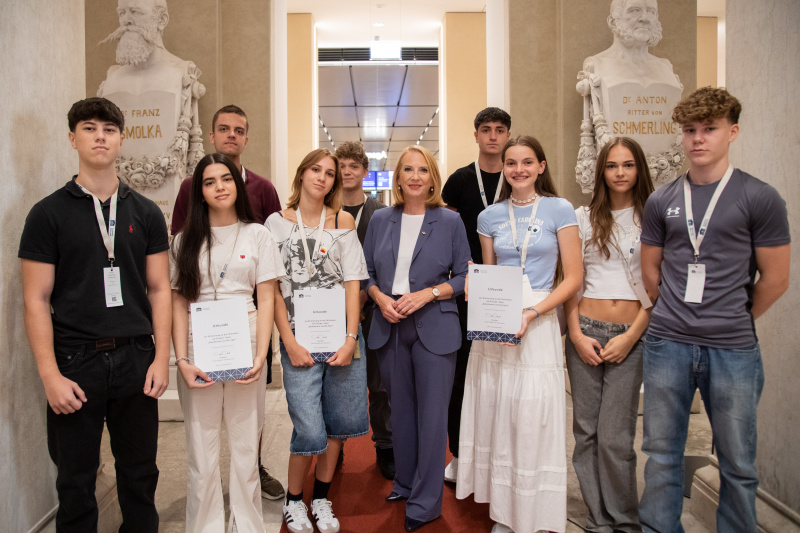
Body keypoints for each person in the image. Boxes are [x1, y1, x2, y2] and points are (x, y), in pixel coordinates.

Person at [638, 88, 791, 532]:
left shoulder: (759, 197)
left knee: (738, 463)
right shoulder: (661, 200)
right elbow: (651, 273)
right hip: (669, 343)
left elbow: (776, 279)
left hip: (733, 349)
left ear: (733, 132)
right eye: (690, 130)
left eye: (709, 129)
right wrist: (676, 316)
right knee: (662, 454)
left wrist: (732, 318)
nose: (698, 139)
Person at [19, 97, 171, 532]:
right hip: (74, 362)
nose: (100, 136)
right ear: (73, 138)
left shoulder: (144, 212)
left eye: (109, 129)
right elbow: (35, 300)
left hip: (136, 358)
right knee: (75, 481)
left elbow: (159, 288)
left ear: (122, 140)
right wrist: (50, 375)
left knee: (140, 477)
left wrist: (161, 359)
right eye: (89, 128)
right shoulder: (48, 214)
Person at [456, 135, 582, 533]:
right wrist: (475, 287)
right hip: (498, 323)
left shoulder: (560, 209)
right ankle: (506, 514)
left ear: (541, 166)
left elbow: (574, 277)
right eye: (512, 163)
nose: (519, 170)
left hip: (538, 318)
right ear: (504, 168)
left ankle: (537, 514)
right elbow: (491, 272)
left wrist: (532, 312)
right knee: (499, 413)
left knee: (532, 416)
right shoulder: (490, 216)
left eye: (528, 162)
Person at [172, 104, 285, 500]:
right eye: (209, 182)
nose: (219, 187)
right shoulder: (182, 242)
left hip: (245, 335)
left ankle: (248, 524)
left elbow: (268, 295)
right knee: (201, 454)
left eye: (226, 180)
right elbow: (177, 300)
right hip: (198, 343)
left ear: (238, 186)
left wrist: (261, 356)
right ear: (197, 192)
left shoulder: (258, 234)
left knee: (244, 448)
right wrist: (181, 360)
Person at [363, 145, 471, 532]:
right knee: (401, 412)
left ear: (432, 178)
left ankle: (426, 502)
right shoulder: (380, 220)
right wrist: (378, 298)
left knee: (431, 417)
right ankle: (405, 483)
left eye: (422, 170)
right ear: (397, 178)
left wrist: (428, 293)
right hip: (389, 325)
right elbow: (366, 274)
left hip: (435, 327)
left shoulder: (449, 221)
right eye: (407, 169)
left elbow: (464, 276)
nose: (414, 176)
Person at [266, 148, 368, 533]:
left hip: (341, 338)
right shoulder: (276, 223)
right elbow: (273, 288)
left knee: (338, 426)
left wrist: (350, 338)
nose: (323, 177)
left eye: (330, 173)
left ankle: (321, 499)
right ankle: (294, 502)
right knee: (308, 427)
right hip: (298, 340)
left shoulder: (343, 221)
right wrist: (288, 341)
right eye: (316, 170)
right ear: (302, 174)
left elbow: (353, 281)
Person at [564, 137, 654, 533]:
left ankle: (625, 520)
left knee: (616, 437)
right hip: (585, 331)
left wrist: (632, 336)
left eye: (628, 165)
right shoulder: (582, 217)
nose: (620, 172)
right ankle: (598, 519)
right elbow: (570, 282)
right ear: (601, 171)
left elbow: (659, 287)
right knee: (585, 432)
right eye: (613, 165)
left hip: (629, 334)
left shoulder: (653, 217)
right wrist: (577, 336)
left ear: (639, 170)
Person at [440, 107, 511, 483]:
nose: (493, 137)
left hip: (510, 291)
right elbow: (446, 231)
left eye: (500, 130)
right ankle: (459, 454)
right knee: (463, 376)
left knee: (502, 375)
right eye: (487, 130)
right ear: (476, 134)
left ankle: (497, 454)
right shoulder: (459, 181)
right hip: (467, 291)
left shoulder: (517, 174)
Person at [335, 141, 394, 479]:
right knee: (337, 380)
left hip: (371, 309)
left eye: (353, 166)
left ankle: (384, 444)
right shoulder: (326, 212)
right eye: (341, 166)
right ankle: (336, 444)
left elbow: (382, 264)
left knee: (379, 382)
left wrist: (363, 302)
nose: (347, 171)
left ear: (365, 172)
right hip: (332, 311)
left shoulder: (380, 214)